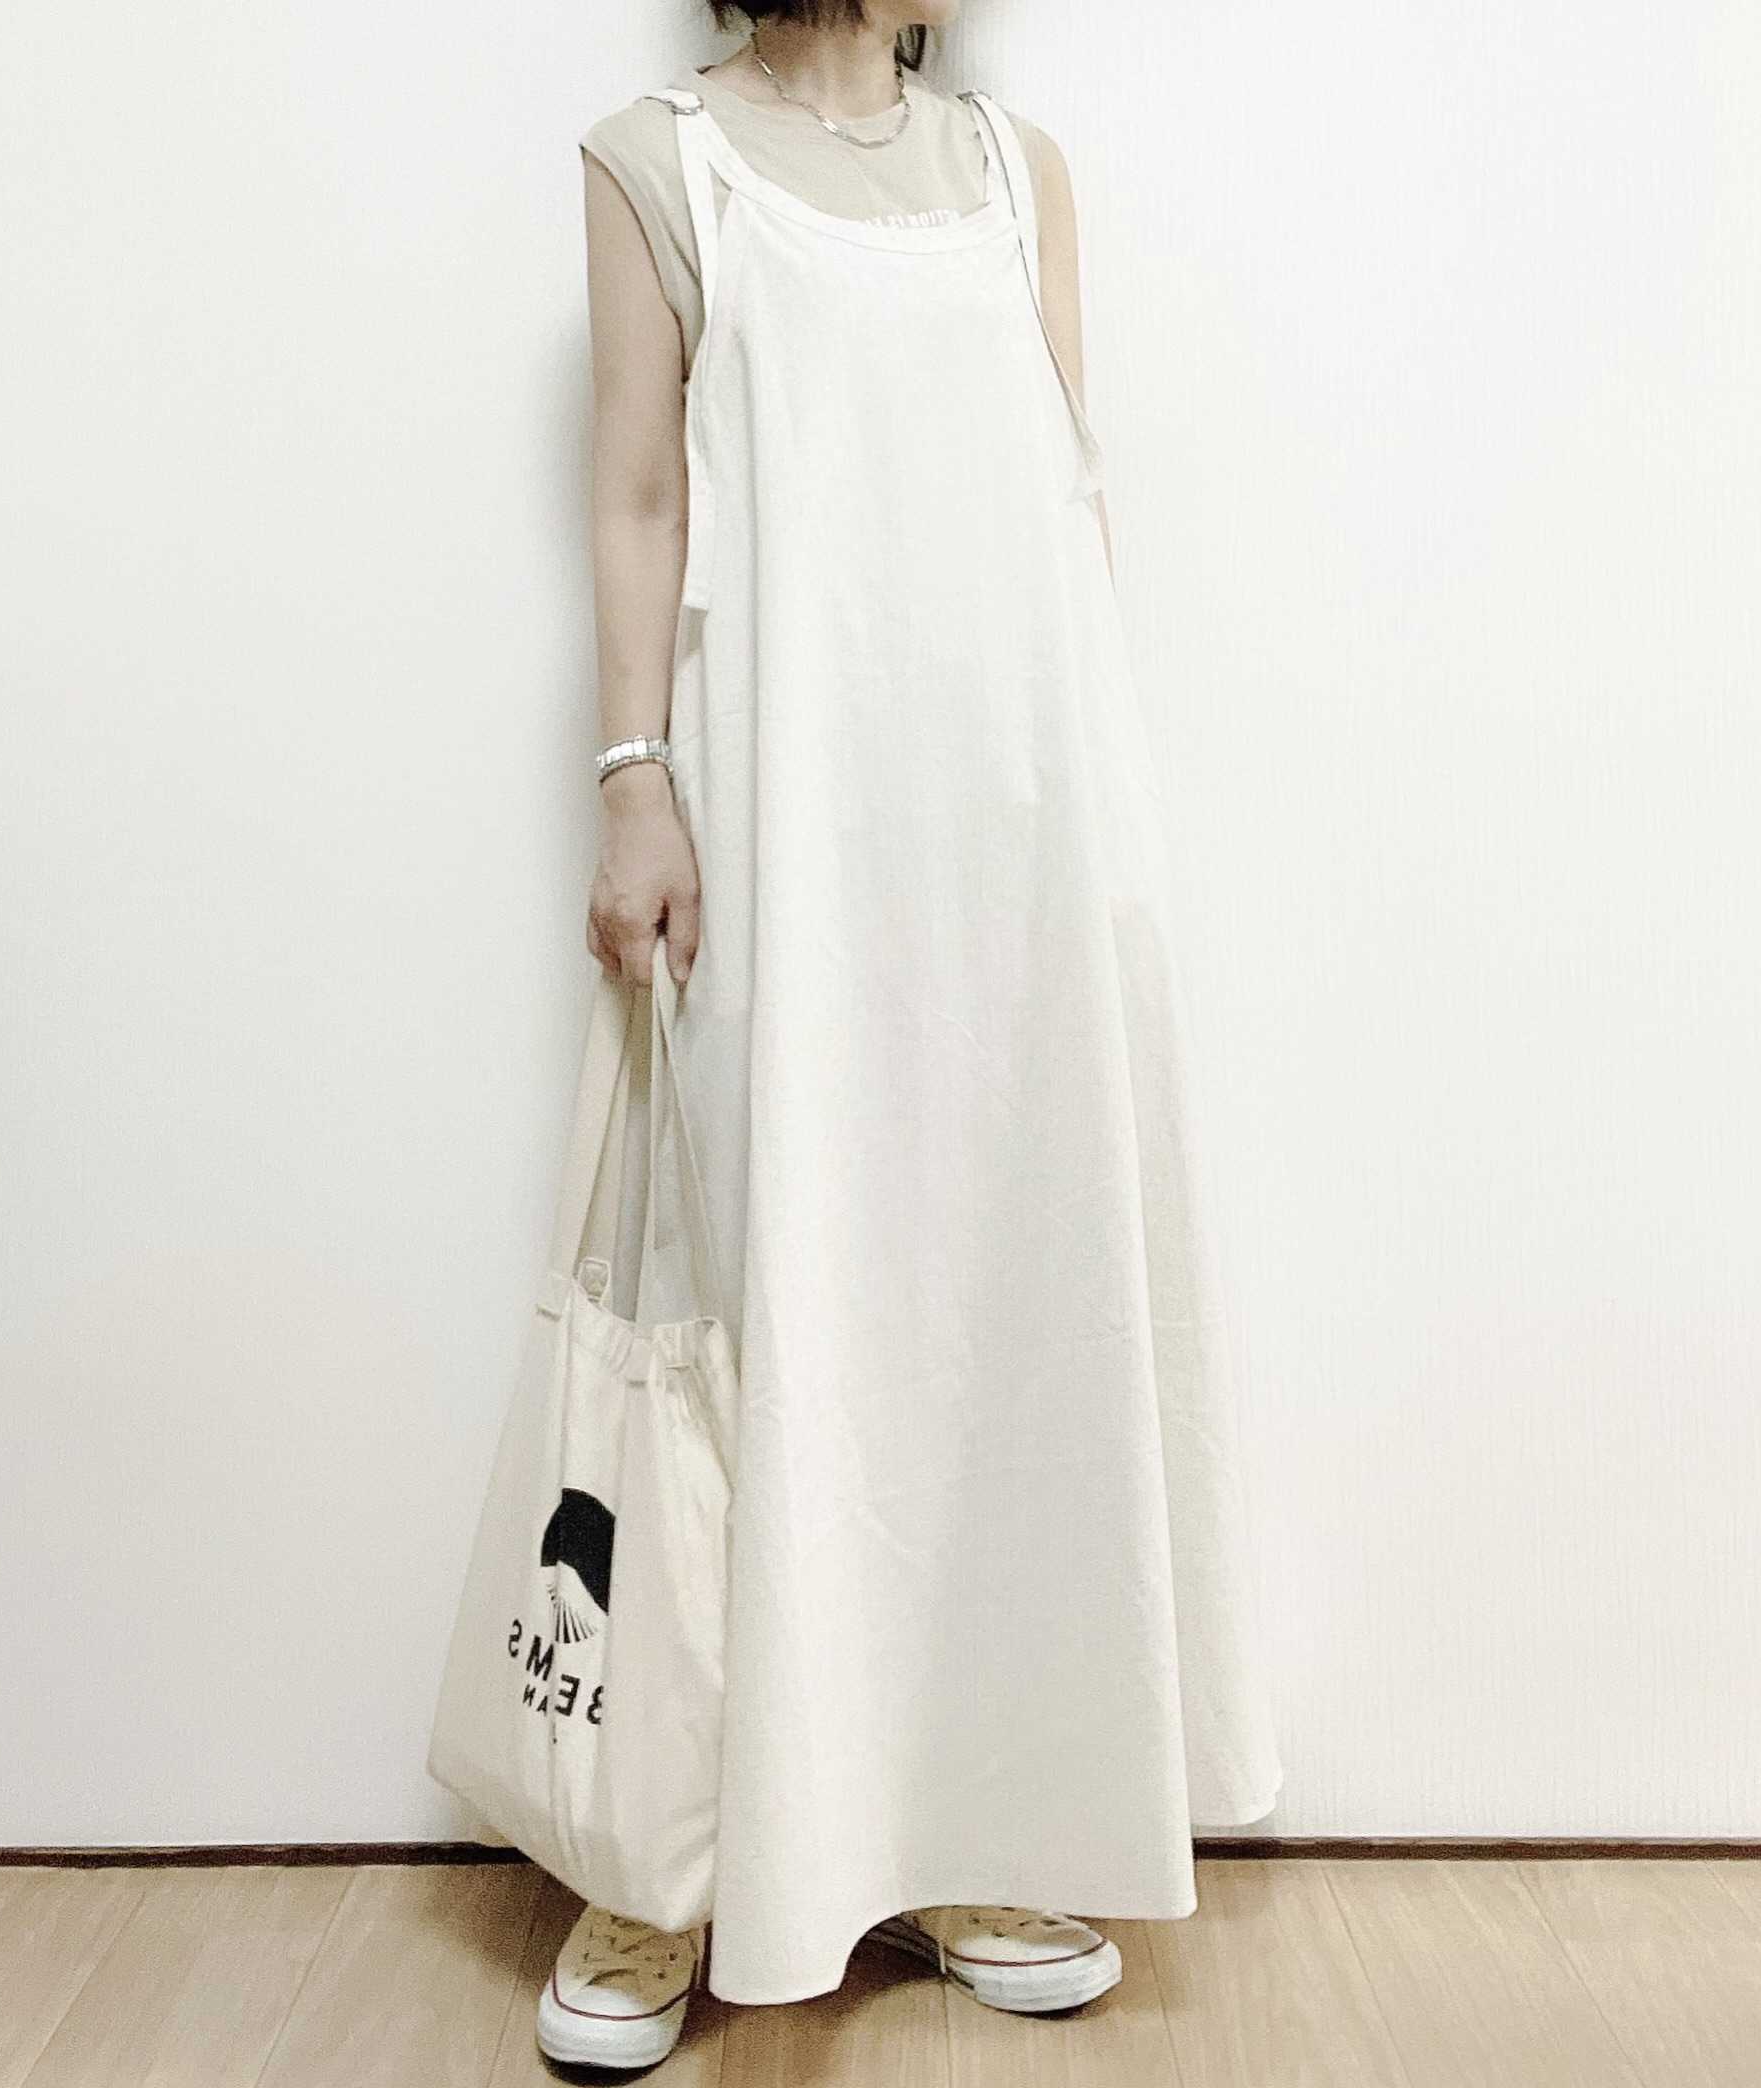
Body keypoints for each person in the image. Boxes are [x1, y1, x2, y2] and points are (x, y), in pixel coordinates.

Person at [543, 1, 1281, 2068]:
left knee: (989, 1322)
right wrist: (632, 781)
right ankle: (669, 1861)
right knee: (745, 1303)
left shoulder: (1009, 176)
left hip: (1019, 835)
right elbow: (634, 498)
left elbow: (1063, 494)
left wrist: (1105, 838)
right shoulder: (660, 163)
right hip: (784, 819)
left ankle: (958, 1824)